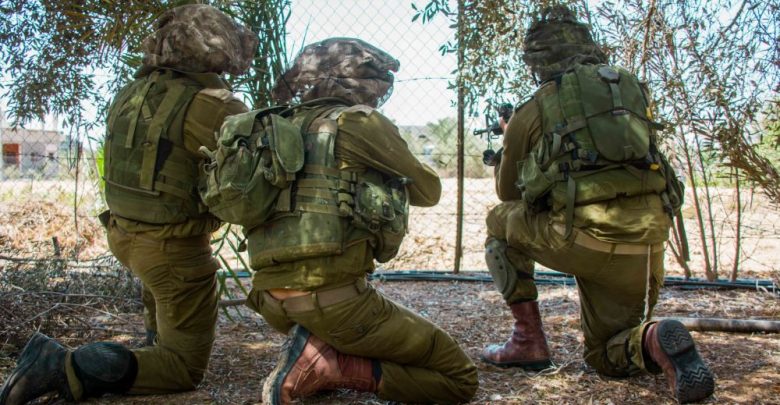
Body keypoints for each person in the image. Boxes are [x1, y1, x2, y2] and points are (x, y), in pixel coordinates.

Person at [0, 5, 256, 404]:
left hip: (125, 235)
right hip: (172, 251)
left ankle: (151, 344)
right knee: (182, 368)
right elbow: (259, 176)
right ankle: (63, 365)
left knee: (162, 297)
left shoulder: (132, 93)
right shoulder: (211, 104)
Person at [481, 6, 715, 404]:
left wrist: (509, 142)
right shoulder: (631, 92)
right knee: (608, 353)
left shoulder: (535, 107)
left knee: (498, 222)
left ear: (537, 61)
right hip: (646, 244)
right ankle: (653, 338)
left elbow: (508, 193)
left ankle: (527, 340)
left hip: (581, 239)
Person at [241, 37, 478, 404]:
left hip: (270, 301)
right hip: (335, 304)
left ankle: (317, 347)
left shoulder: (272, 126)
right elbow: (428, 190)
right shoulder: (357, 122)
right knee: (459, 378)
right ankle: (334, 366)